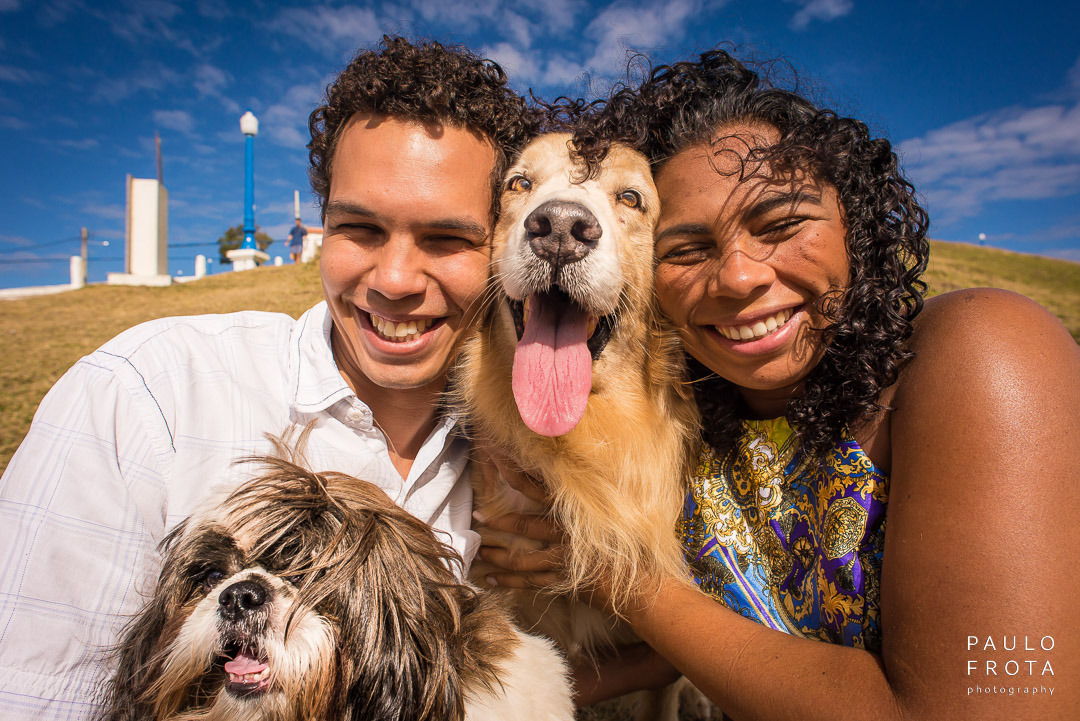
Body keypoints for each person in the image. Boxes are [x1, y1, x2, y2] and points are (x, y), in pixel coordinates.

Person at [478, 49, 1080, 718]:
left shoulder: (986, 348)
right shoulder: (691, 423)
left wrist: (618, 580)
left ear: (854, 220)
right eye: (689, 247)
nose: (739, 276)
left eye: (782, 223)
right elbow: (690, 648)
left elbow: (975, 708)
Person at [0, 36, 540, 719]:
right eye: (361, 229)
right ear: (323, 225)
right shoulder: (144, 395)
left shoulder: (521, 454)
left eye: (446, 239)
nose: (396, 280)